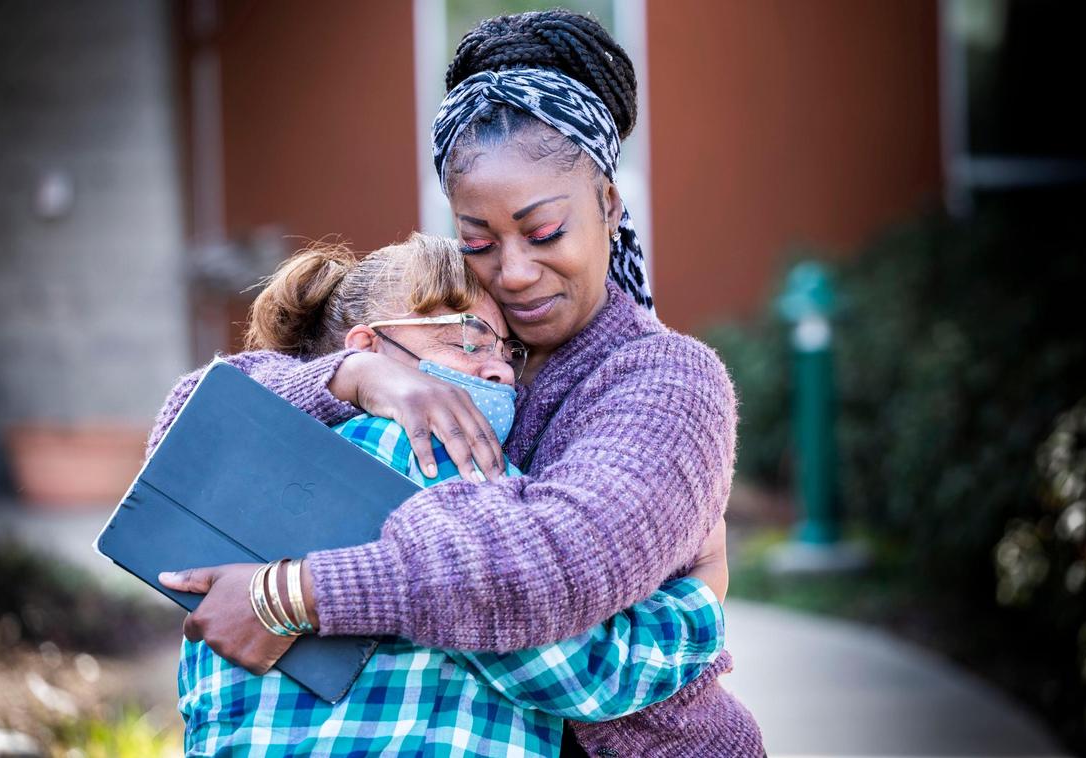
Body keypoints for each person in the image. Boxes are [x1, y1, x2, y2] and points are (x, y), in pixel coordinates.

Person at [157, 9, 764, 757]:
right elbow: (192, 428)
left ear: (608, 204)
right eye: (478, 241)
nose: (511, 273)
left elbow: (551, 569)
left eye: (545, 234)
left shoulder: (665, 382)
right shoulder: (430, 331)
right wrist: (354, 376)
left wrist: (297, 595)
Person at [177, 234, 729, 756]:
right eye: (468, 337)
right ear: (368, 347)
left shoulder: (248, 459)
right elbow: (578, 671)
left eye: (511, 352)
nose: (500, 371)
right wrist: (699, 599)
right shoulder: (442, 459)